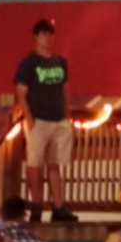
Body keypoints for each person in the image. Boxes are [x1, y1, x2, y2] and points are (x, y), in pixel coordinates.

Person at [13, 21, 74, 210]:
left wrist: (67, 114)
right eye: (44, 34)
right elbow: (21, 93)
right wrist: (29, 119)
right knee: (35, 164)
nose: (48, 38)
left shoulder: (60, 62)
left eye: (50, 34)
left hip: (58, 120)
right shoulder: (29, 63)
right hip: (38, 120)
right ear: (36, 37)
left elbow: (65, 89)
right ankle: (37, 204)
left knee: (54, 164)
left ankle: (58, 205)